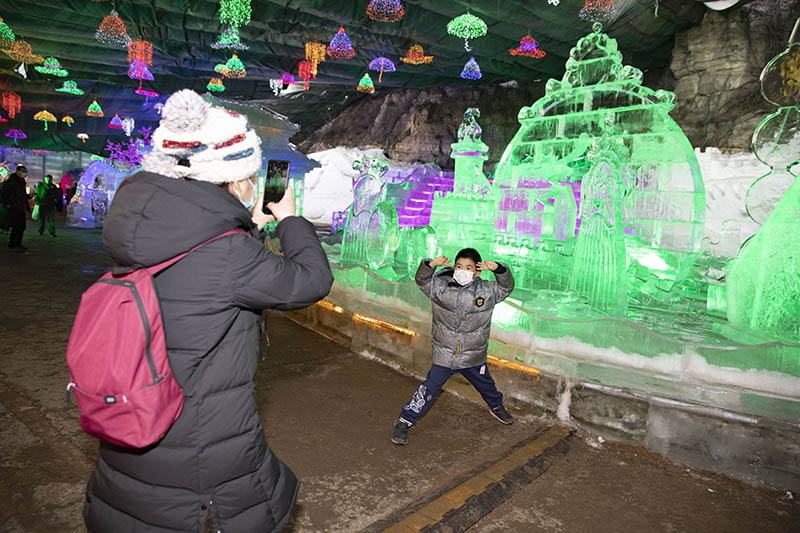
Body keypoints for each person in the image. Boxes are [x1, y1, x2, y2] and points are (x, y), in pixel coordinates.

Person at [82, 89, 333, 532]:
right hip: (202, 449)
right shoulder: (229, 254)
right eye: (250, 175)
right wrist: (290, 219)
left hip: (134, 424)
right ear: (233, 181)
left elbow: (203, 275)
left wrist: (247, 228)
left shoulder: (150, 225)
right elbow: (310, 280)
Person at [392, 248, 515, 445]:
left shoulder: (487, 291)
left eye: (468, 268)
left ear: (477, 271)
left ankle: (496, 406)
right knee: (428, 389)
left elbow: (506, 288)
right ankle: (405, 420)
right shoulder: (440, 287)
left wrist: (499, 269)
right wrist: (430, 265)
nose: (462, 271)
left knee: (486, 385)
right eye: (459, 266)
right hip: (445, 355)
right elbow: (422, 280)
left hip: (473, 355)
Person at [1, 164, 31, 251]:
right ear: (18, 172)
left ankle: (17, 243)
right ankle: (13, 244)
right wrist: (7, 203)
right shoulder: (12, 181)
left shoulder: (22, 182)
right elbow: (4, 192)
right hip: (14, 206)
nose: (25, 173)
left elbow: (22, 194)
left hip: (21, 207)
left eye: (25, 171)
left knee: (21, 226)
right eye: (23, 171)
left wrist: (29, 196)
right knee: (16, 226)